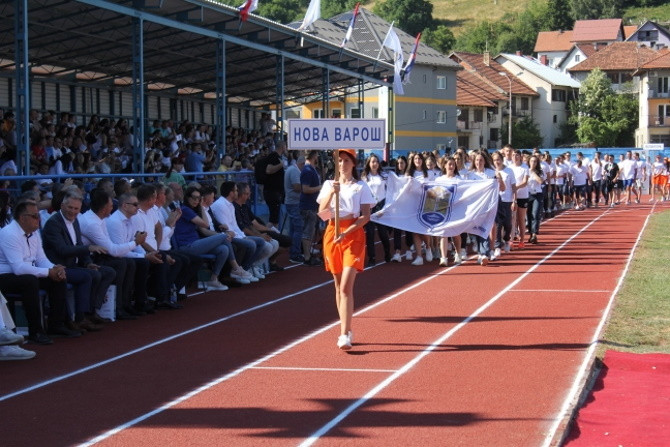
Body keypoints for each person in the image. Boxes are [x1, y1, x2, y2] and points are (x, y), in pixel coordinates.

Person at [317, 149, 375, 351]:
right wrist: (332, 193)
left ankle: (343, 334)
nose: (342, 164)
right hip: (333, 232)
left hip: (353, 235)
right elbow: (322, 214)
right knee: (337, 286)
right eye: (339, 161)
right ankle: (346, 327)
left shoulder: (361, 186)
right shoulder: (329, 184)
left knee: (345, 287)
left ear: (353, 163)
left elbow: (365, 216)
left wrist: (347, 231)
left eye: (346, 160)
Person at [0, 200, 78, 344]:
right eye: (35, 216)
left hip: (26, 272)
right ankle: (35, 331)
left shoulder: (34, 232)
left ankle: (56, 324)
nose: (39, 219)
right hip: (5, 276)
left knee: (58, 278)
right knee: (30, 281)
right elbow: (18, 268)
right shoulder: (9, 234)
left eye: (38, 216)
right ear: (22, 218)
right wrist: (48, 272)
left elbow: (41, 259)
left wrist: (55, 268)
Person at [42, 191, 116, 331]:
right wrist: (89, 248)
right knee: (86, 276)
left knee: (105, 272)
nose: (73, 211)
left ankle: (90, 312)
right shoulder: (53, 224)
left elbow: (78, 244)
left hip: (73, 264)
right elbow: (62, 250)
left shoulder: (75, 221)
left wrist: (88, 263)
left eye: (76, 209)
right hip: (59, 266)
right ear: (62, 206)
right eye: (70, 207)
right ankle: (80, 318)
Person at [362, 153, 390, 265]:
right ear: (368, 163)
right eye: (372, 162)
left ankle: (387, 253)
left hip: (380, 207)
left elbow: (393, 187)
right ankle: (372, 257)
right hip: (369, 207)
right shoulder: (364, 178)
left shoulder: (384, 176)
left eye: (377, 162)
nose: (375, 164)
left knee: (383, 233)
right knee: (370, 233)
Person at [299, 150, 323, 266]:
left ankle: (308, 254)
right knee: (308, 232)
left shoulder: (311, 169)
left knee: (311, 231)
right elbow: (305, 189)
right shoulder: (307, 170)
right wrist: (320, 187)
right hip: (308, 206)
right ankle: (307, 257)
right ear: (314, 155)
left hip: (312, 205)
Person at [284, 155, 305, 263]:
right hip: (294, 203)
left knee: (293, 229)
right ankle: (295, 253)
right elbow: (297, 187)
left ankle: (294, 251)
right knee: (298, 229)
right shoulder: (294, 171)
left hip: (292, 202)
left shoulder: (292, 169)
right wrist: (308, 188)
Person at [527, 155, 546, 244]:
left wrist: (533, 172)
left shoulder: (540, 172)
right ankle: (531, 233)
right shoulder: (525, 170)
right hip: (527, 195)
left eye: (535, 161)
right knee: (529, 215)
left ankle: (534, 234)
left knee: (535, 214)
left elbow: (540, 181)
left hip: (537, 194)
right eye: (531, 161)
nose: (533, 163)